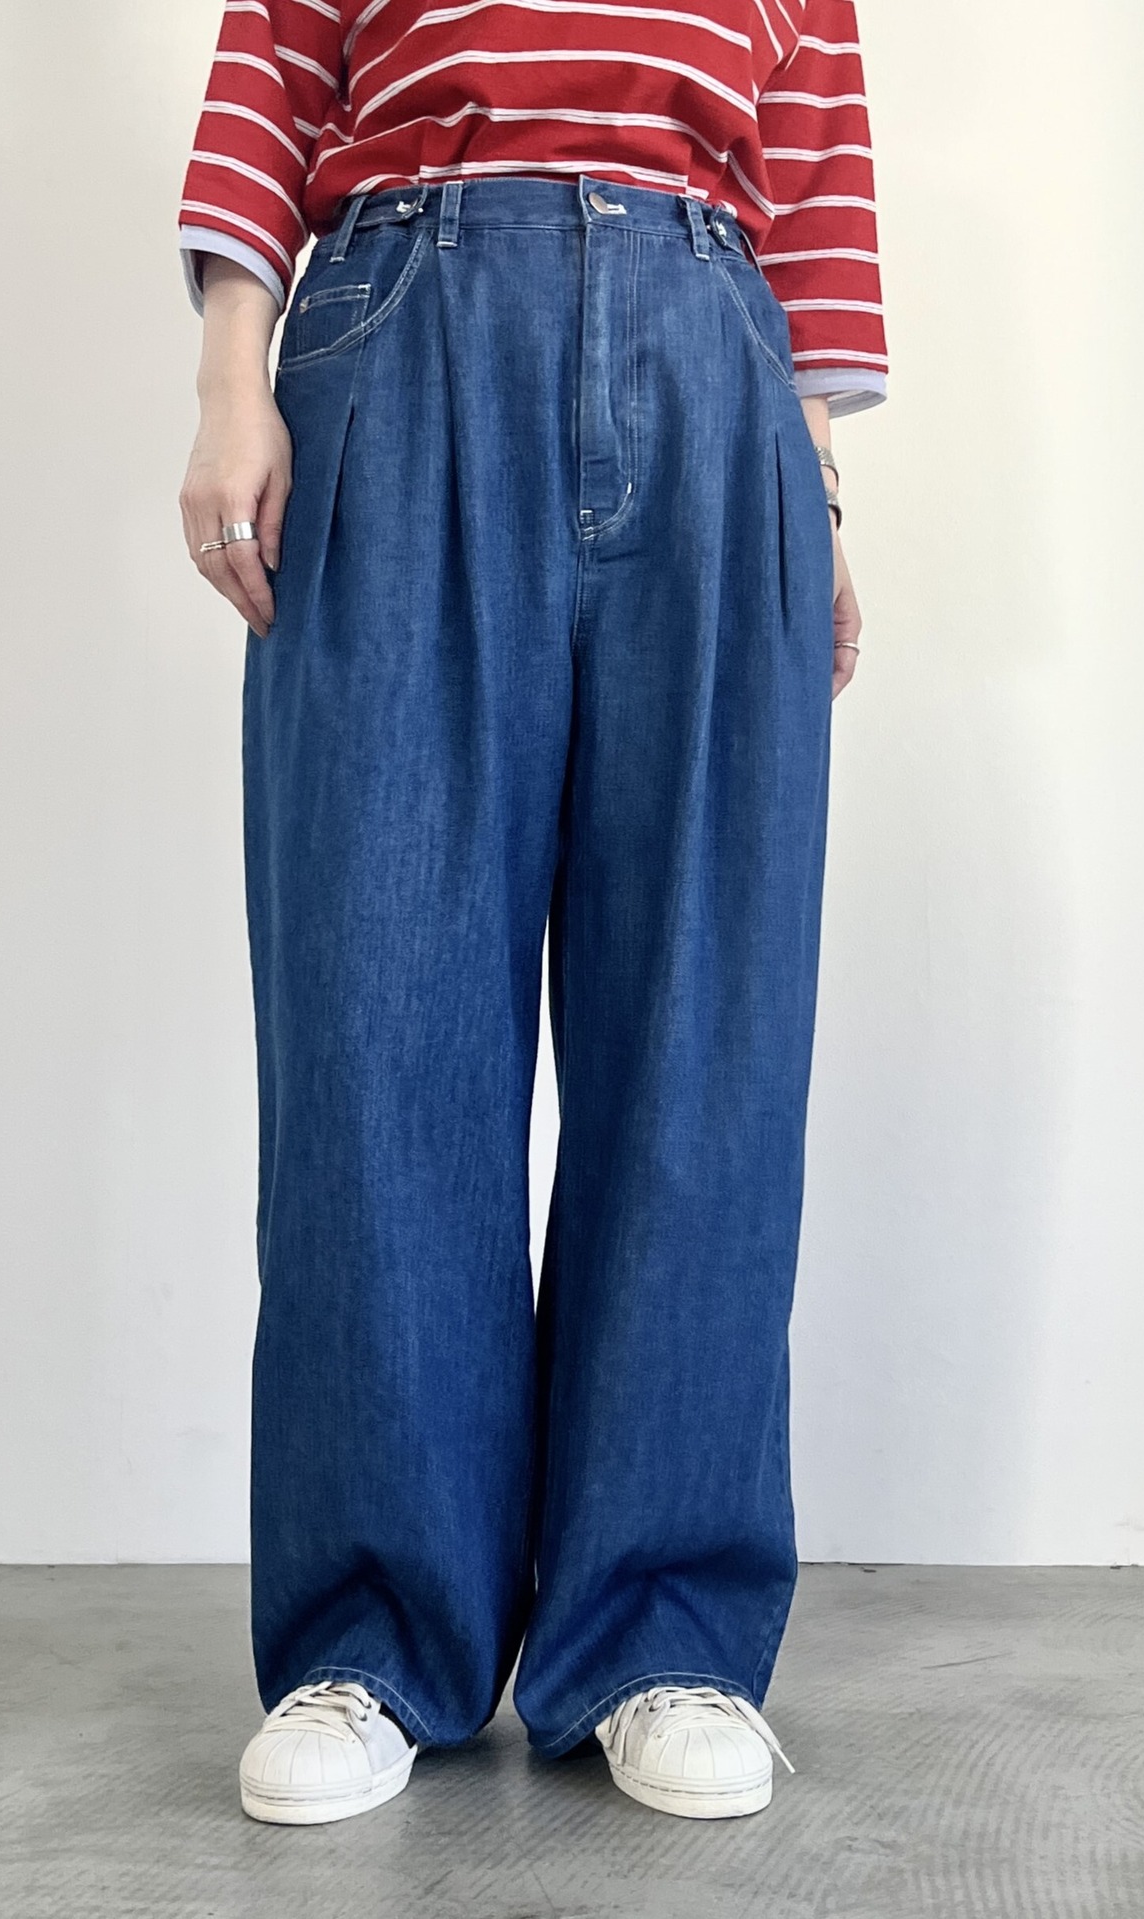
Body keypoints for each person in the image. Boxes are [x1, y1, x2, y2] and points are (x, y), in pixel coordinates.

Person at [178, 0, 886, 1826]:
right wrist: (232, 385)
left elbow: (811, 175)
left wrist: (813, 483)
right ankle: (373, 1635)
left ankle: (662, 1633)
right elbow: (273, 73)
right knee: (377, 1010)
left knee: (703, 1025)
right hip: (402, 335)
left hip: (715, 355)